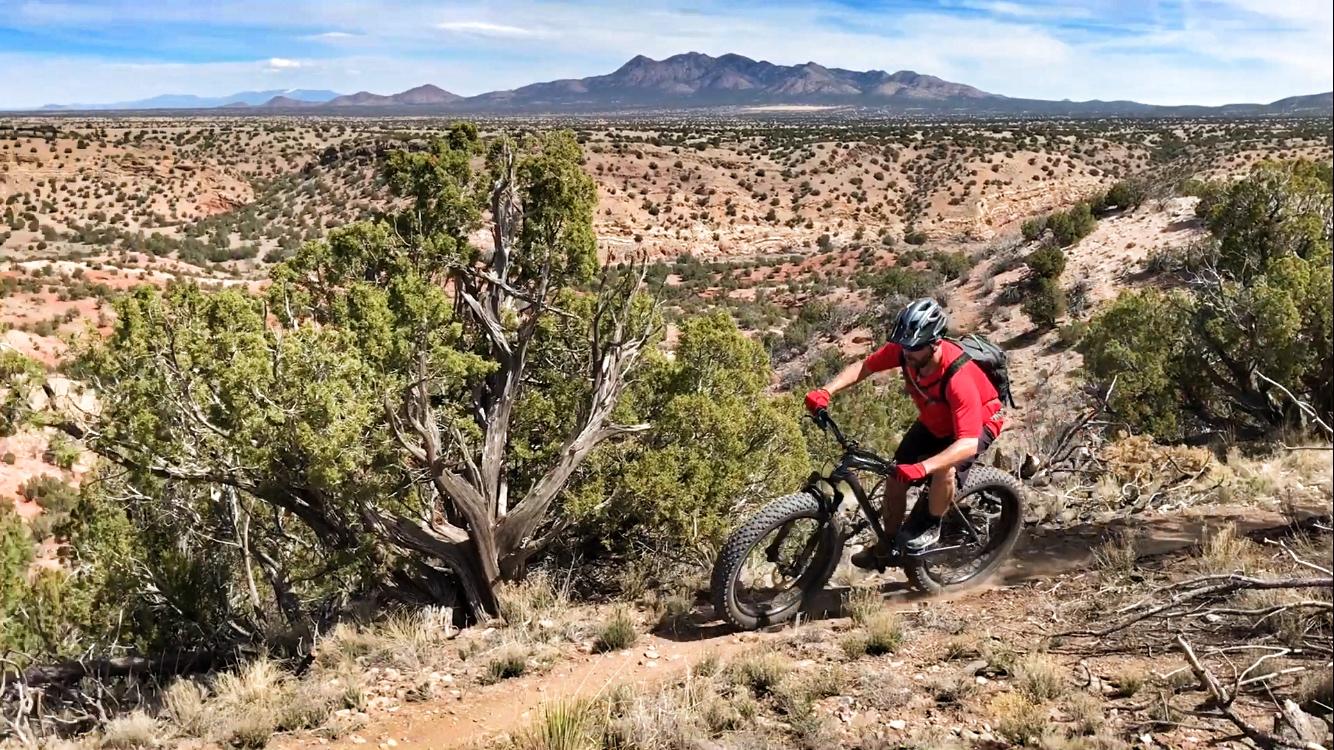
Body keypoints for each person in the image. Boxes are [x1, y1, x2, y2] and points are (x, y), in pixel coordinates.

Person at [804, 298, 1005, 568]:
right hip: (936, 421)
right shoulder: (905, 352)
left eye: (914, 348)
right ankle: (887, 545)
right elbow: (866, 366)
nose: (906, 353)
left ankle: (932, 526)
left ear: (934, 343)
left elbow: (967, 443)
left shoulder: (959, 378)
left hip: (979, 422)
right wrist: (827, 390)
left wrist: (923, 467)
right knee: (896, 476)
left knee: (942, 469)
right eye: (904, 345)